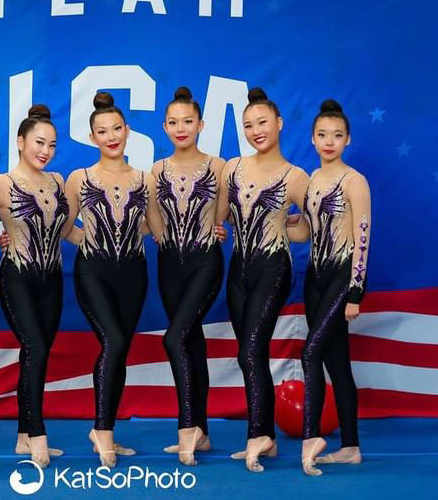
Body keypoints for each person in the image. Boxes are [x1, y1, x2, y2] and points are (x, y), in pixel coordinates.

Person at [64, 92, 163, 467]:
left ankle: (106, 429)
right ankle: (102, 430)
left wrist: (206, 231)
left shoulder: (144, 178)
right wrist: (89, 240)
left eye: (116, 128)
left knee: (118, 351)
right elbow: (61, 227)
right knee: (114, 340)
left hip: (133, 274)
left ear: (127, 131)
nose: (111, 136)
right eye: (102, 131)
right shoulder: (80, 177)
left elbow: (157, 229)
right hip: (93, 271)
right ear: (93, 138)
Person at [222, 87, 309, 472]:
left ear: (279, 124)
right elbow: (223, 215)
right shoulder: (233, 167)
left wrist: (282, 225)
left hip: (273, 266)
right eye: (248, 125)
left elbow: (310, 227)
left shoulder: (294, 175)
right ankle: (265, 437)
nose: (255, 131)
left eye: (262, 123)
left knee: (250, 348)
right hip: (238, 267)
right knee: (249, 352)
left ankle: (260, 434)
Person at [286, 99, 370, 476]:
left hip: (340, 277)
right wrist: (277, 222)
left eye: (337, 135)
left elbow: (362, 239)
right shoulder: (312, 180)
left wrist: (355, 292)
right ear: (312, 139)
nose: (329, 141)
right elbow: (306, 231)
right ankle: (350, 446)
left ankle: (310, 438)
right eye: (322, 135)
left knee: (309, 354)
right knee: (337, 363)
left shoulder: (354, 181)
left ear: (348, 139)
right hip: (315, 279)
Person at [0, 104, 74, 468]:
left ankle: (25, 436)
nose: (45, 151)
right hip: (17, 277)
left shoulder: (58, 181)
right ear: (21, 142)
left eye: (52, 145)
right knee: (37, 349)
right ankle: (38, 433)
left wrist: (111, 242)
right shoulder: (1, 184)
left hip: (52, 278)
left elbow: (70, 230)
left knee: (35, 354)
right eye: (39, 143)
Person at [152, 87, 227, 465]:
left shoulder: (218, 166)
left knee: (175, 336)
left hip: (205, 262)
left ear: (200, 124)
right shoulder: (156, 170)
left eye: (188, 121)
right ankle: (203, 431)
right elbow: (148, 219)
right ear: (165, 126)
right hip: (169, 264)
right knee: (190, 342)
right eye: (174, 122)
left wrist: (221, 227)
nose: (181, 128)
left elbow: (231, 211)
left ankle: (187, 428)